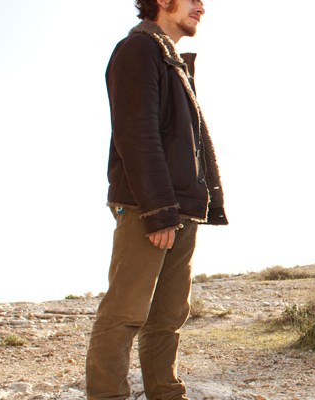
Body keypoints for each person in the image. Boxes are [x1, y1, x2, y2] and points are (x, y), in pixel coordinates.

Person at [86, 1, 228, 399]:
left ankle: (167, 394)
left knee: (167, 317)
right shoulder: (138, 50)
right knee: (124, 314)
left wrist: (188, 204)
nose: (202, 7)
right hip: (147, 207)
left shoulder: (172, 60)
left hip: (180, 207)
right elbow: (136, 133)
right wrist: (158, 211)